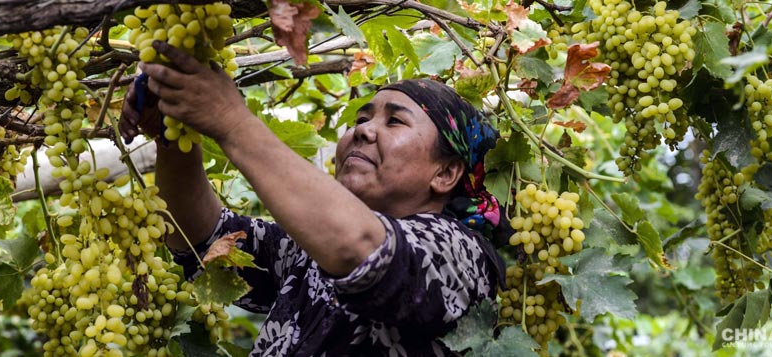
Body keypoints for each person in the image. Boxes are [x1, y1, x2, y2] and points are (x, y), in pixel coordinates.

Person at [120, 40, 506, 356]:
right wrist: (173, 135)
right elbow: (201, 237)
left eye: (394, 121)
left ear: (446, 173)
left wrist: (233, 122)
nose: (364, 131)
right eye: (361, 118)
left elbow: (363, 250)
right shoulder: (310, 253)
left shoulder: (462, 254)